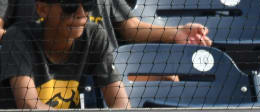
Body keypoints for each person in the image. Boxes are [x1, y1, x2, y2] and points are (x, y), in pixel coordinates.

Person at [0, 0, 130, 109]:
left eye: (88, 4)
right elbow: (28, 104)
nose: (81, 14)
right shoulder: (18, 37)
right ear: (42, 9)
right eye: (70, 6)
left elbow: (121, 103)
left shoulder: (94, 35)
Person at [2, 0, 211, 51]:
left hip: (101, 68)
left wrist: (176, 33)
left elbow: (129, 26)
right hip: (38, 71)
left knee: (168, 75)